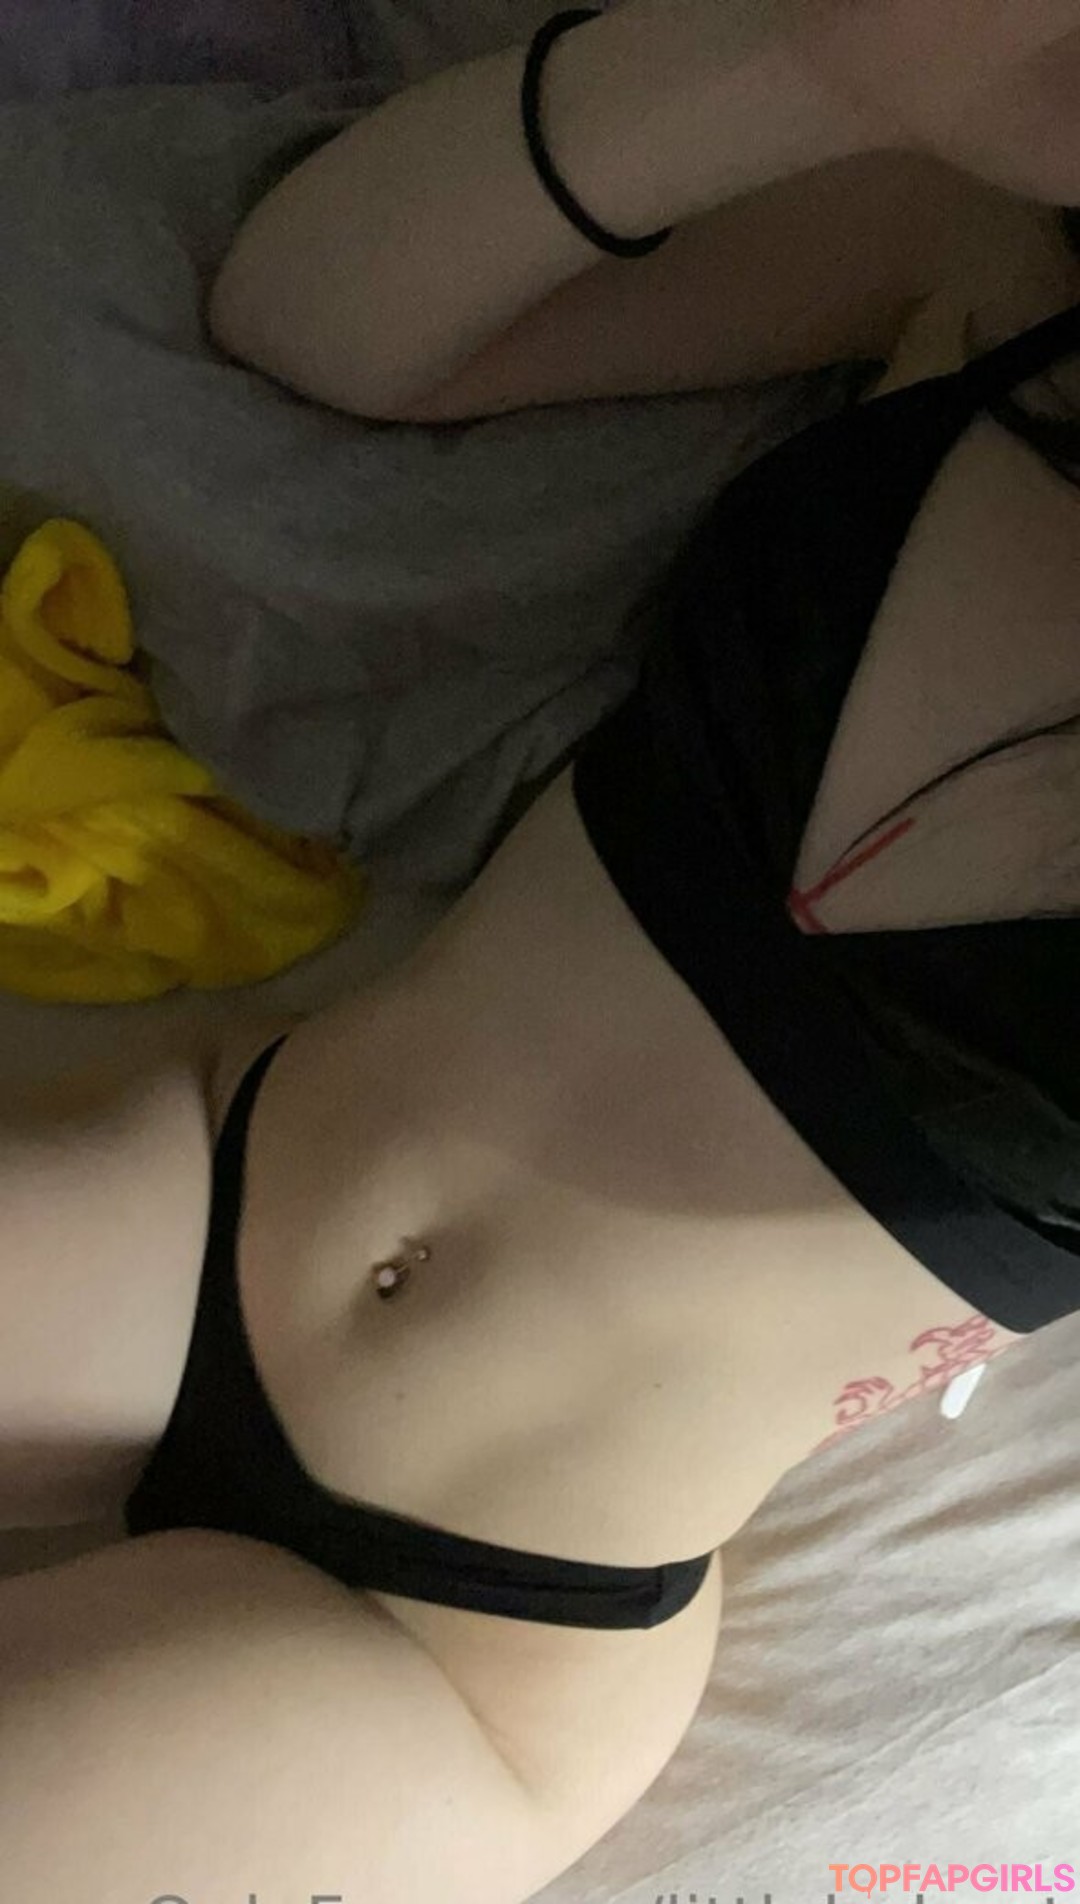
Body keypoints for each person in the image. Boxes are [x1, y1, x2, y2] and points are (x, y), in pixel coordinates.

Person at [2, 1, 1078, 1897]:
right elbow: (318, 326)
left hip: (476, 1629)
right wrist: (818, 61)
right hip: (205, 1206)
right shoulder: (992, 235)